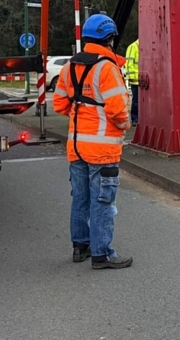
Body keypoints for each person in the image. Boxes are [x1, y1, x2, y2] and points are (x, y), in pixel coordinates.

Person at [53, 14, 133, 270]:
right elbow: (118, 110)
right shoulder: (107, 68)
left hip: (76, 146)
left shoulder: (69, 67)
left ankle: (81, 247)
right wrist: (123, 127)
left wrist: (83, 115)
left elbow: (59, 104)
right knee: (102, 201)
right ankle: (102, 254)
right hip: (102, 149)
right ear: (109, 39)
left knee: (81, 199)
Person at [124, 38, 139, 125]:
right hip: (136, 79)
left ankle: (137, 118)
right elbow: (129, 63)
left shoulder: (139, 46)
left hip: (143, 78)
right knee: (136, 100)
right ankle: (135, 119)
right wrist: (132, 77)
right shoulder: (133, 46)